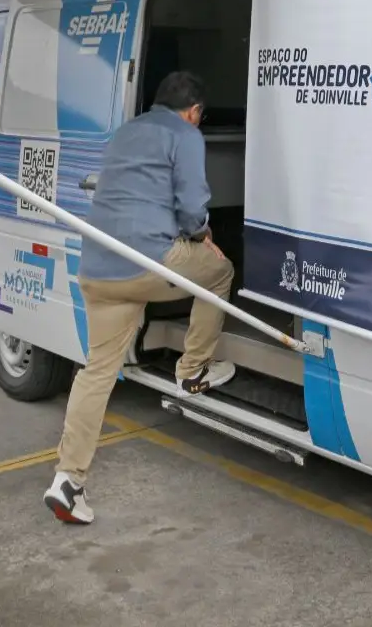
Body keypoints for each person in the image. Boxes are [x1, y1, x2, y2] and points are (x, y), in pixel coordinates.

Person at [43, 70, 236, 524]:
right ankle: (192, 370)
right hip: (149, 262)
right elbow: (191, 208)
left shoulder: (125, 131)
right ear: (194, 113)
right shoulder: (186, 136)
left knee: (96, 372)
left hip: (97, 268)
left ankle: (67, 481)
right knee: (220, 273)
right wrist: (204, 235)